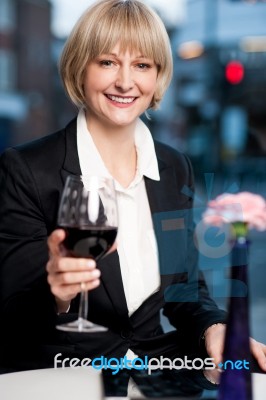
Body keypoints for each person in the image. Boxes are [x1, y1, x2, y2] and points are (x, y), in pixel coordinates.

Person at [0, 0, 265, 375]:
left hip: (157, 371)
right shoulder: (27, 169)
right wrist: (55, 292)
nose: (125, 81)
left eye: (142, 65)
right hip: (62, 374)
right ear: (81, 68)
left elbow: (185, 292)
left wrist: (214, 328)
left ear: (157, 76)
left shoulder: (173, 167)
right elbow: (11, 314)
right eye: (107, 62)